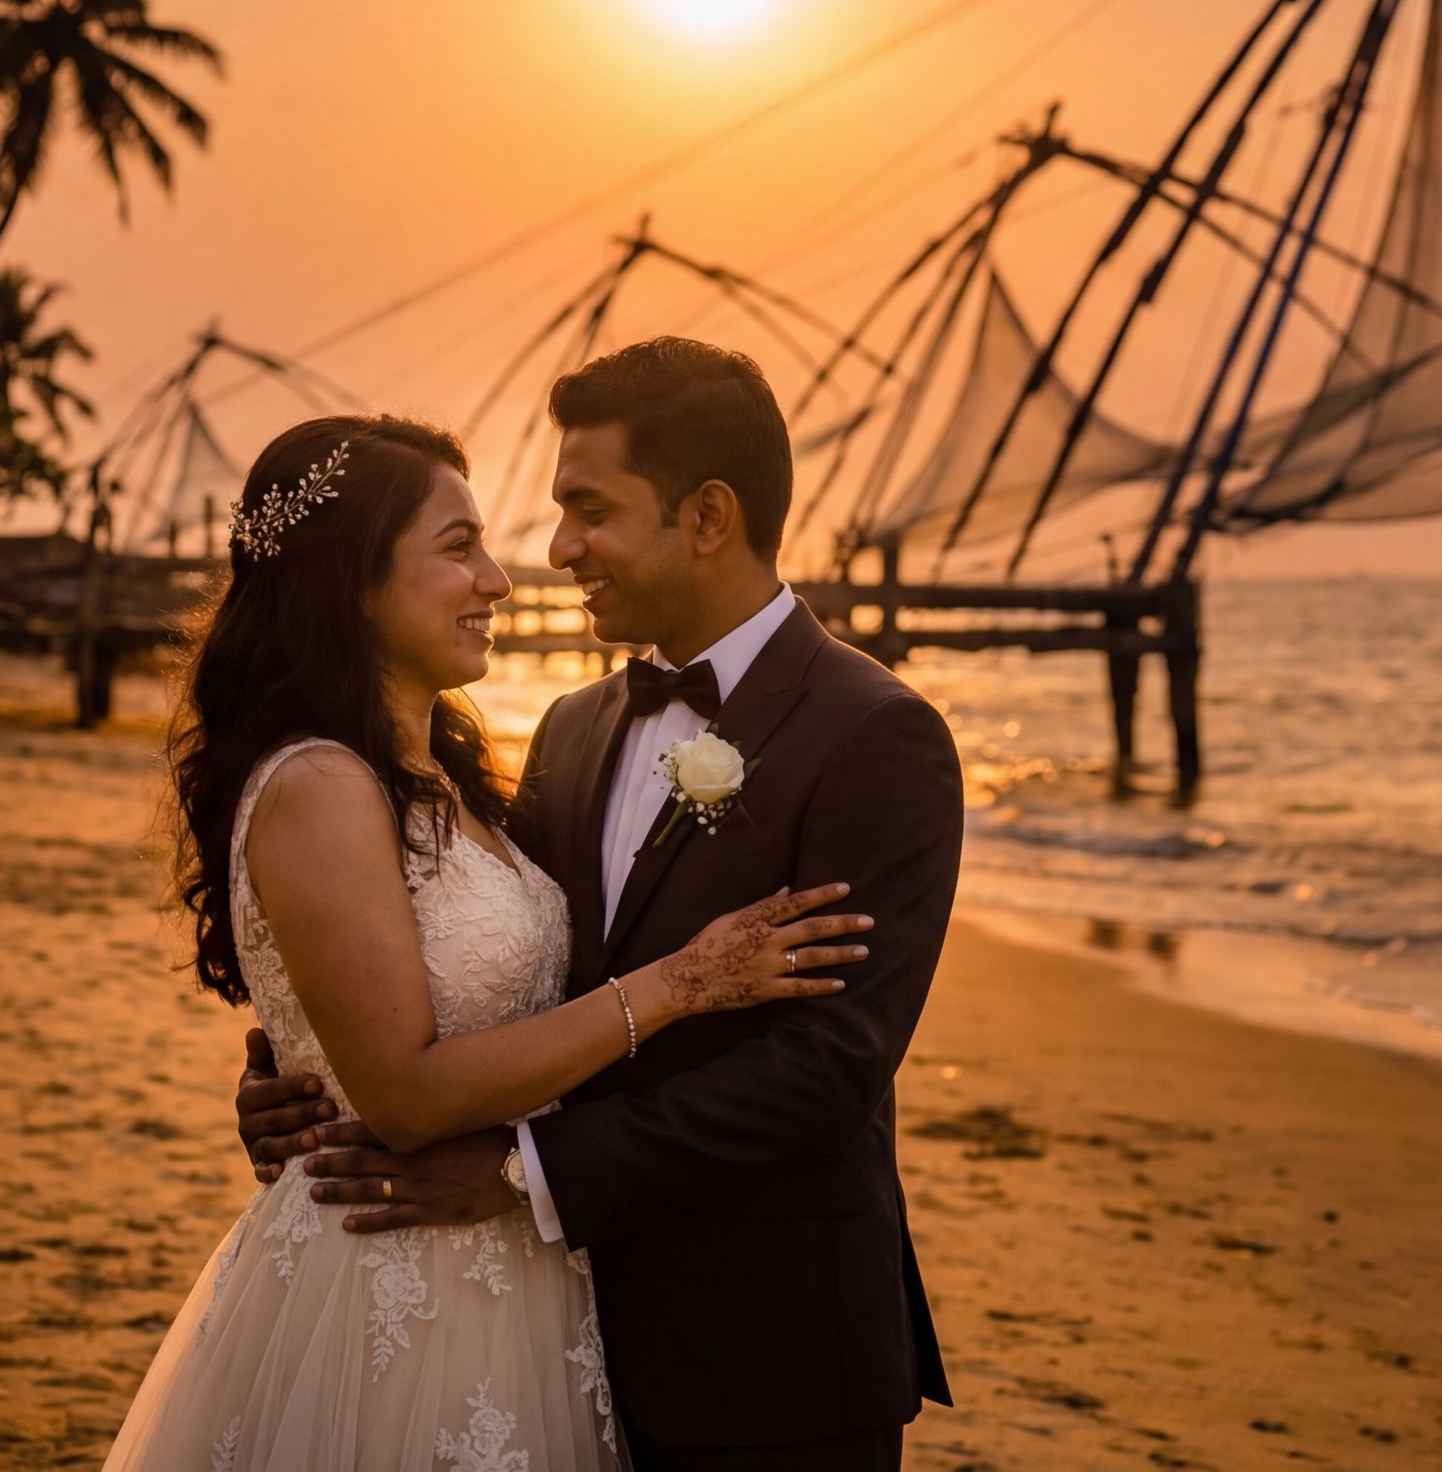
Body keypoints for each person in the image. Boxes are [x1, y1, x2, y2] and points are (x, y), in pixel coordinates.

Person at [236, 339, 963, 1469]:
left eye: (590, 510)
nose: (556, 549)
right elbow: (484, 952)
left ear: (708, 516)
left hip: (766, 1350)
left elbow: (828, 1068)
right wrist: (302, 1072)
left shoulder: (877, 735)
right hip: (553, 1329)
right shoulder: (572, 728)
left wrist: (524, 1171)